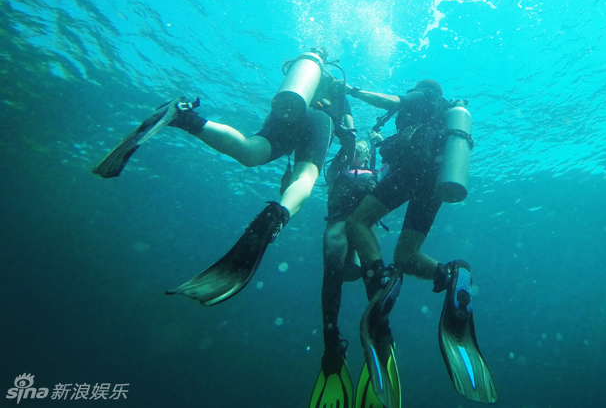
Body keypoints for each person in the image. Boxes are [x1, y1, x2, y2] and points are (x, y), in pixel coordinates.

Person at [93, 48, 355, 307]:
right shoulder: (337, 85)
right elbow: (350, 132)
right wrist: (346, 146)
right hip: (320, 120)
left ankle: (184, 117)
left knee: (250, 151)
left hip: (288, 109)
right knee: (305, 176)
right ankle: (275, 216)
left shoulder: (300, 73)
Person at [344, 79, 497, 405]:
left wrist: (354, 91)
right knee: (406, 255)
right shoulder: (446, 119)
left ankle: (378, 275)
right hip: (437, 180)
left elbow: (391, 101)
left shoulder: (422, 96)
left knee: (357, 221)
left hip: (411, 171)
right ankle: (451, 274)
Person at [309, 137, 381, 407]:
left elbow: (387, 180)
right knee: (333, 273)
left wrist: (377, 148)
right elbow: (336, 164)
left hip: (360, 228)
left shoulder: (373, 172)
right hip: (341, 226)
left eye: (364, 152)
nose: (360, 155)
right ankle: (332, 340)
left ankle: (376, 332)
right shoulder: (336, 171)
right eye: (357, 151)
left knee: (373, 273)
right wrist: (349, 142)